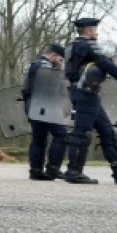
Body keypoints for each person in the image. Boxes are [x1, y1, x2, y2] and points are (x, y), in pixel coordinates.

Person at [62, 17, 117, 184]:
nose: (97, 33)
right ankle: (73, 171)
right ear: (89, 31)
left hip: (86, 95)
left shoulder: (72, 46)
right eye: (95, 30)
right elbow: (105, 63)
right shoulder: (87, 45)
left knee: (107, 132)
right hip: (85, 94)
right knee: (82, 133)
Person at [23, 42, 68, 181]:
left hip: (32, 105)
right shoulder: (45, 67)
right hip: (45, 106)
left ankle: (36, 171)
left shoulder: (33, 64)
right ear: (53, 55)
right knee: (61, 134)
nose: (61, 63)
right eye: (60, 60)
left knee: (39, 138)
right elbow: (53, 90)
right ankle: (53, 168)